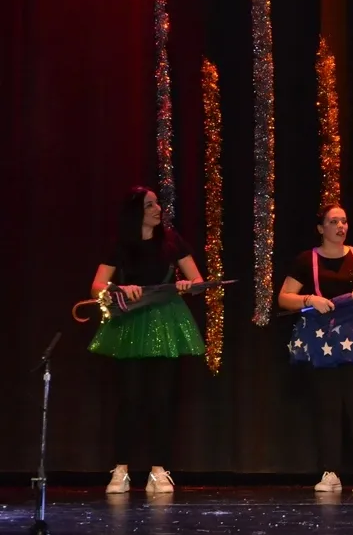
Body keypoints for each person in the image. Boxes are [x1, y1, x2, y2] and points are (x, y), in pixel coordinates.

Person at [88, 186, 205, 494]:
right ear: (135, 211)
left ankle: (159, 470)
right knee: (130, 398)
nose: (157, 209)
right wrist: (119, 289)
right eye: (150, 205)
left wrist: (188, 285)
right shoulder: (121, 245)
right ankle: (121, 470)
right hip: (131, 323)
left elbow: (197, 281)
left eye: (157, 204)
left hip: (166, 323)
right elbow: (97, 286)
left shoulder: (172, 241)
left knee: (162, 398)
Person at [278, 203, 353, 493]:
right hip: (321, 342)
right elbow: (284, 297)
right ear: (320, 228)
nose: (341, 226)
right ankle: (330, 472)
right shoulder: (306, 260)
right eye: (334, 221)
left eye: (344, 221)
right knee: (328, 405)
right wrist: (309, 299)